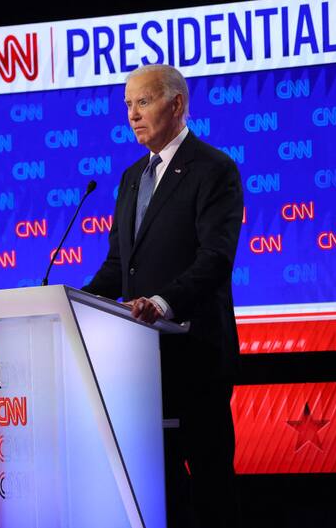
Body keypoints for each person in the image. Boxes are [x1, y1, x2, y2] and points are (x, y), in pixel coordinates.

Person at [82, 64, 243, 527]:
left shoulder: (214, 169)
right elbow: (120, 266)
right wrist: (71, 301)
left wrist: (162, 303)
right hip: (140, 364)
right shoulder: (133, 177)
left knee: (211, 489)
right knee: (157, 491)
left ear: (176, 104)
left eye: (143, 102)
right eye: (128, 105)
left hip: (196, 355)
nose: (132, 115)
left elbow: (215, 258)